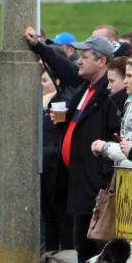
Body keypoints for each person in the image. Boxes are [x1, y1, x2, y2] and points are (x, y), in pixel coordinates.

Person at [53, 36, 120, 263]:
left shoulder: (109, 95)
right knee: (81, 242)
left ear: (102, 62)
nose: (79, 61)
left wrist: (102, 178)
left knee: (101, 243)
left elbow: (114, 136)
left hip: (96, 183)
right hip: (77, 180)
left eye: (86, 57)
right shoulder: (84, 90)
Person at [40, 70, 74, 252]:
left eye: (45, 80)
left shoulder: (62, 101)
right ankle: (50, 253)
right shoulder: (42, 101)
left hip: (54, 163)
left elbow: (58, 129)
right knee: (48, 216)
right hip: (44, 163)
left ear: (57, 81)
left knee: (60, 214)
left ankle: (65, 254)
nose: (41, 84)